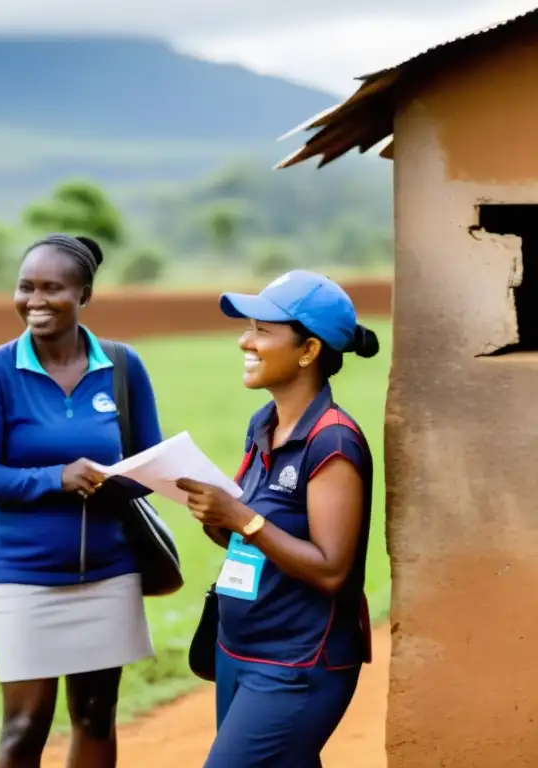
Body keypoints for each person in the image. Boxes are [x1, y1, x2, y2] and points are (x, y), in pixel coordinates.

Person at [0, 234, 164, 768]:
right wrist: (57, 478)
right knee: (24, 728)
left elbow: (149, 466)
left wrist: (115, 479)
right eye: (26, 286)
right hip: (24, 578)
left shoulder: (122, 367)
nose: (35, 300)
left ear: (84, 295)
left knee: (97, 715)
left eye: (52, 288)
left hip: (110, 572)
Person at [176, 270, 378, 768]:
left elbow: (332, 569)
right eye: (249, 327)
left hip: (298, 661)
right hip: (239, 648)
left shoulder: (332, 441)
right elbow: (257, 537)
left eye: (263, 330)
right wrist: (217, 517)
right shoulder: (263, 423)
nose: (246, 340)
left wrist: (241, 517)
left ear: (308, 351)